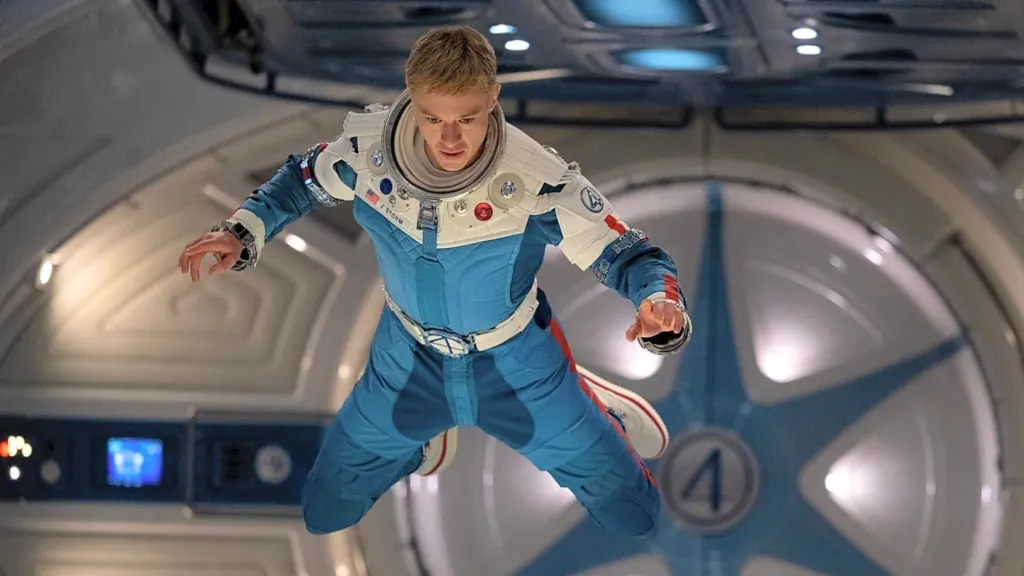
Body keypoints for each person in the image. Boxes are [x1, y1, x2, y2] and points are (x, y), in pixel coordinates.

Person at [178, 25, 691, 539]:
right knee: (325, 513)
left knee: (633, 514)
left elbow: (631, 255)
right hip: (406, 360)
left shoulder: (538, 181)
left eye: (466, 119)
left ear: (493, 98)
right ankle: (421, 443)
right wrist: (243, 230)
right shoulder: (368, 153)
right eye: (432, 118)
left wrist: (658, 303)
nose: (449, 139)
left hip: (517, 367)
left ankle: (591, 403)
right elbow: (304, 179)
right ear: (411, 98)